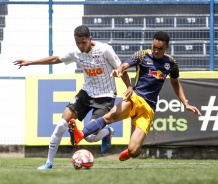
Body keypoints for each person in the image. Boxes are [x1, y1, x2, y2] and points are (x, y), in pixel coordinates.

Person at [68, 31, 202, 162]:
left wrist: (185, 103)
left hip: (148, 109)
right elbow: (125, 65)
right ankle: (81, 135)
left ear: (167, 47)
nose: (155, 51)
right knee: (110, 117)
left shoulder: (171, 63)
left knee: (133, 151)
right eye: (154, 47)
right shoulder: (143, 55)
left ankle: (131, 151)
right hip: (136, 98)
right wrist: (119, 71)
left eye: (160, 48)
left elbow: (175, 83)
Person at [13, 25, 129, 169]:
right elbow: (55, 59)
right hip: (86, 93)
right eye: (77, 43)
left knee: (89, 136)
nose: (80, 46)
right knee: (61, 124)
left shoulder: (104, 50)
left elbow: (121, 68)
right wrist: (30, 62)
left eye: (83, 42)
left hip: (105, 96)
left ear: (90, 39)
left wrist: (129, 87)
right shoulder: (76, 53)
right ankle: (49, 163)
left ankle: (107, 132)